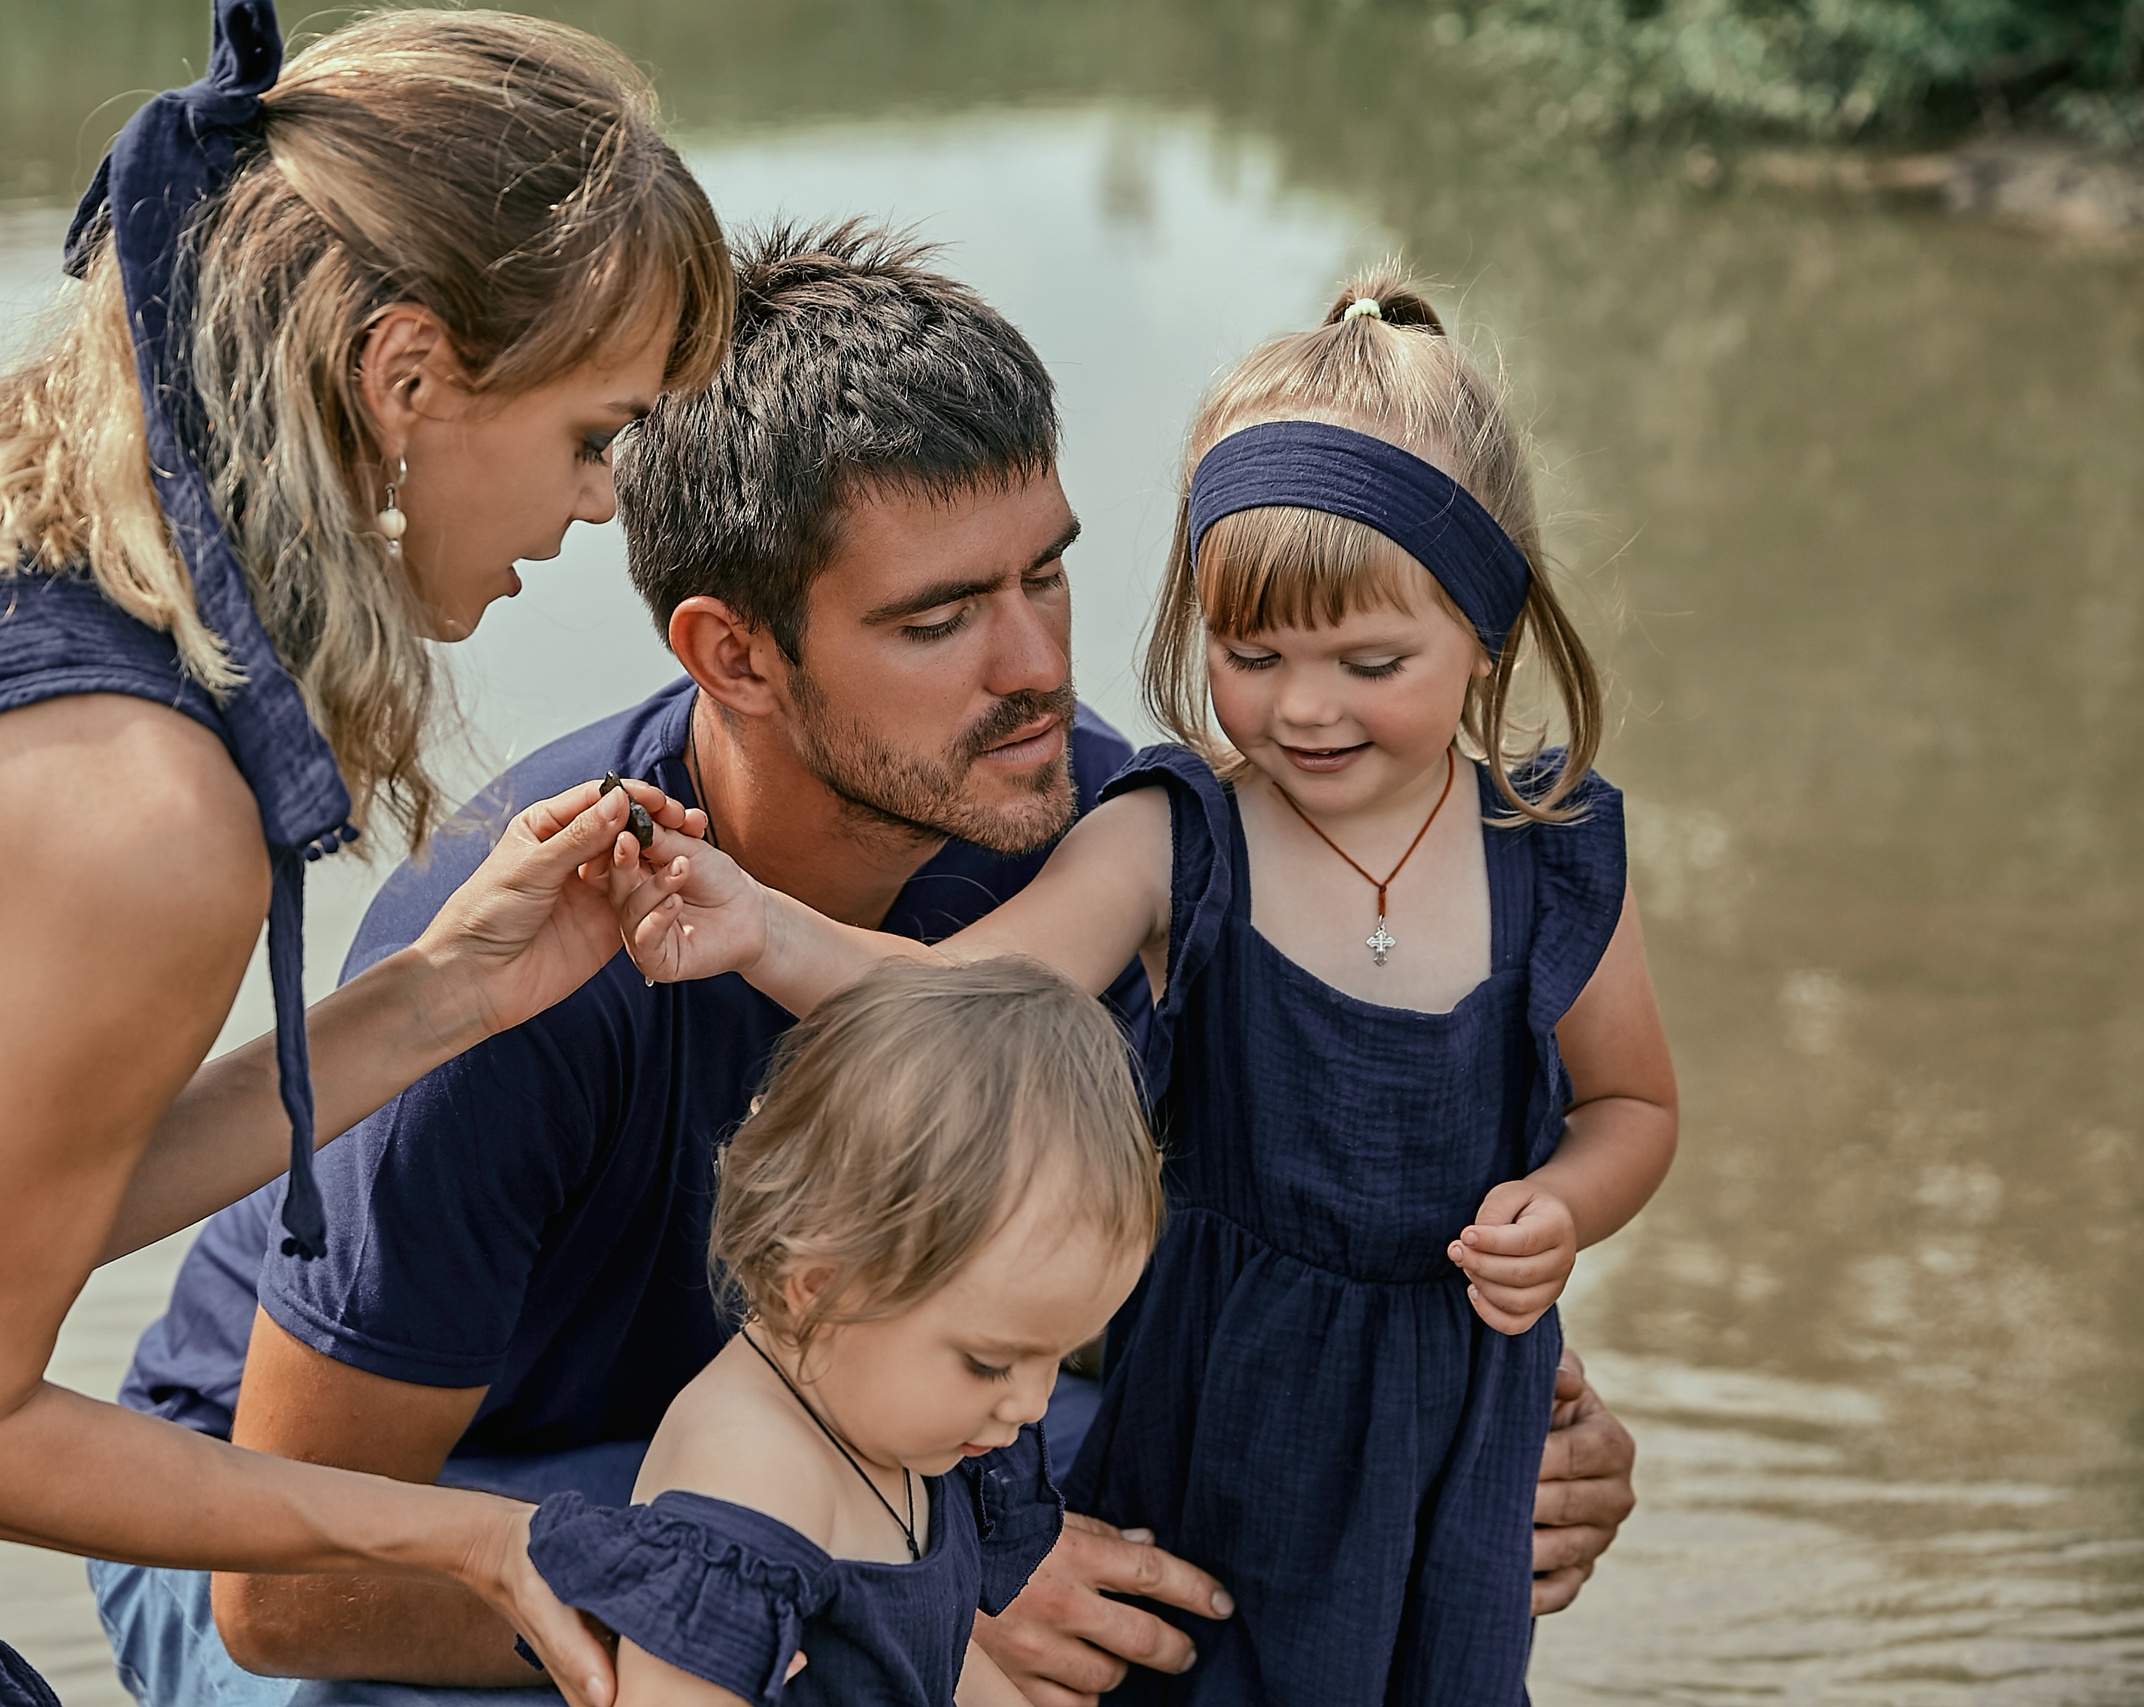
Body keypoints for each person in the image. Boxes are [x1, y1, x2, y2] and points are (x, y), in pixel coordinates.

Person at [96, 227, 1638, 1707]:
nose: (1036, 661)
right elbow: (279, 1588)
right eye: (939, 617)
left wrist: (1485, 1435)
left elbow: (1233, 1291)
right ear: (734, 655)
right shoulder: (536, 951)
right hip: (355, 1511)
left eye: (1046, 574)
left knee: (1171, 1552)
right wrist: (907, 1578)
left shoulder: (1102, 859)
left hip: (853, 1433)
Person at [0, 5, 733, 1703]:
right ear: (405, 377)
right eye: (596, 434)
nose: (606, 505)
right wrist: (465, 1536)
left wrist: (437, 996)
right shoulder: (144, 814)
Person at [621, 271, 1681, 1704]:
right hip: (1220, 1404)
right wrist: (756, 929)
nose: (1305, 708)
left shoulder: (1553, 855)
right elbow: (950, 992)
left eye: (1371, 661)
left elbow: (1630, 1100)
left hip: (1453, 1413)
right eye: (1252, 657)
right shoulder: (1172, 836)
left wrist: (1566, 1207)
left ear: (1485, 629)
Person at [527, 958, 1165, 1705]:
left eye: (1062, 1355)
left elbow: (932, 1645)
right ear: (817, 1286)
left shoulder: (896, 1422)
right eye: (992, 1362)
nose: (1032, 1401)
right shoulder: (751, 1481)